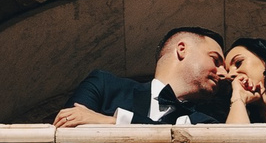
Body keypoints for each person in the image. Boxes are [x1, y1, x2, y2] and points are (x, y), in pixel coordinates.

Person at [55, 27, 227, 127]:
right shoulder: (104, 86)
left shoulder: (206, 121)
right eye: (215, 60)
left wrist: (111, 121)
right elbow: (68, 128)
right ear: (182, 49)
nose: (223, 73)